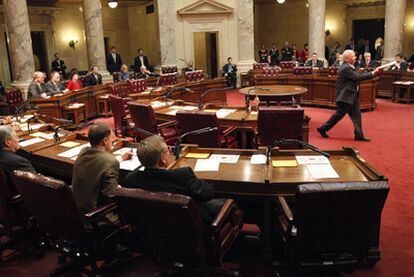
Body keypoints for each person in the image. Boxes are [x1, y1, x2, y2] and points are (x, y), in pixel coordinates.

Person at [124, 135, 226, 226]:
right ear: (163, 159)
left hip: (154, 231)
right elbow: (208, 194)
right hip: (191, 228)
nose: (170, 152)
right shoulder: (182, 176)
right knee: (231, 203)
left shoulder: (131, 179)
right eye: (168, 150)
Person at [72, 123, 132, 222]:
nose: (113, 141)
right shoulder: (110, 162)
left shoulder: (83, 152)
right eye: (112, 139)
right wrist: (120, 189)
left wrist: (121, 158)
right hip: (96, 218)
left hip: (77, 213)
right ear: (105, 141)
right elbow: (111, 196)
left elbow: (98, 163)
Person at [317, 50, 381, 141]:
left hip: (350, 95)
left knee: (356, 115)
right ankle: (323, 128)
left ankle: (359, 135)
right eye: (353, 56)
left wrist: (372, 72)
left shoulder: (348, 66)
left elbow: (357, 76)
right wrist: (373, 73)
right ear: (348, 59)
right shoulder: (346, 68)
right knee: (339, 115)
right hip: (345, 96)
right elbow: (358, 77)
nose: (355, 57)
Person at [0, 125, 36, 193]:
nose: (18, 139)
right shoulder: (19, 162)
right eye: (16, 137)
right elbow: (36, 185)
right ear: (7, 142)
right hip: (22, 194)